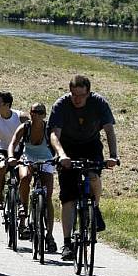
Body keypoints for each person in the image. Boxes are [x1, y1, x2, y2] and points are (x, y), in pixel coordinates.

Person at [49, 75, 119, 261]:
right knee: (68, 197)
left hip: (90, 145)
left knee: (94, 175)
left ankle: (94, 208)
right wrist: (61, 155)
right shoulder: (61, 104)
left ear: (88, 93)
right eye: (73, 95)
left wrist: (113, 156)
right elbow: (54, 135)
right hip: (67, 148)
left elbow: (109, 130)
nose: (77, 99)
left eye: (81, 95)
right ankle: (67, 243)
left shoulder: (99, 103)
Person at [7, 103, 58, 254]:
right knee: (24, 177)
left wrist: (58, 157)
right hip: (27, 157)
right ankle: (23, 205)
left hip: (46, 159)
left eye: (40, 112)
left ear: (44, 114)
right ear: (30, 113)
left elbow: (57, 145)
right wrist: (10, 156)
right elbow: (12, 143)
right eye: (34, 111)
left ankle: (49, 235)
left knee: (47, 197)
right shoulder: (25, 127)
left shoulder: (49, 128)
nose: (36, 114)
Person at [0, 92, 29, 219]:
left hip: (19, 151)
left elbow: (32, 130)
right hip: (1, 150)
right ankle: (0, 198)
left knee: (23, 177)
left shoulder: (20, 117)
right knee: (1, 168)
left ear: (7, 105)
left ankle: (22, 206)